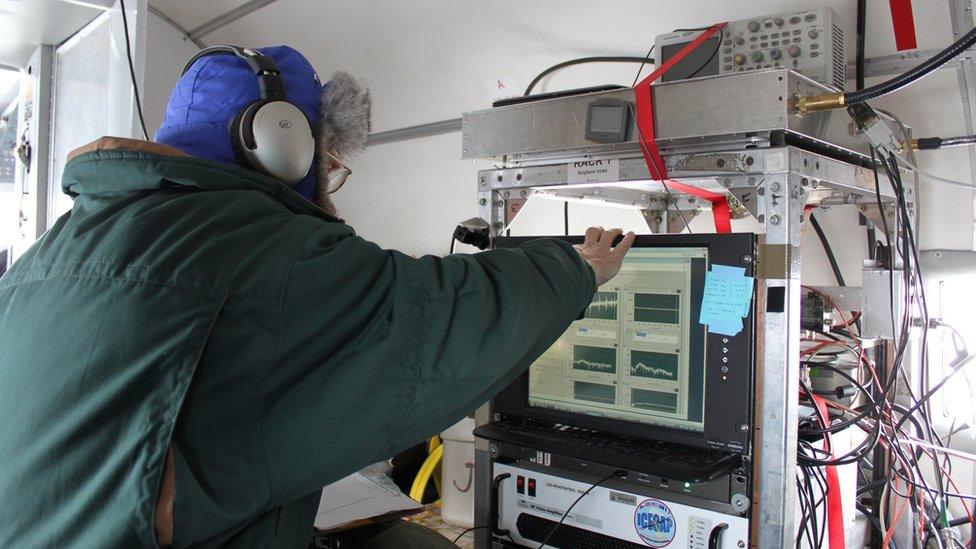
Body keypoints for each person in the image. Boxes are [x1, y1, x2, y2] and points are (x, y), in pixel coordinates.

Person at [0, 45, 634, 548]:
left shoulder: (43, 259)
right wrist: (576, 269)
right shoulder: (262, 243)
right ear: (280, 139)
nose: (326, 185)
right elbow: (435, 320)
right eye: (325, 162)